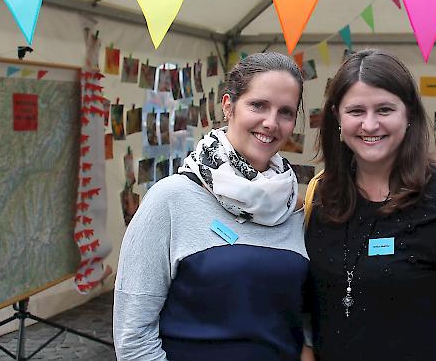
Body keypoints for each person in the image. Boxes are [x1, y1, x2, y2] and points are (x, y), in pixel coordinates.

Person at [304, 49, 436, 361]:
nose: (369, 124)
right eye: (356, 111)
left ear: (409, 116)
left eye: (384, 110)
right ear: (337, 117)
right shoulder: (320, 194)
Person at [113, 52, 311, 361]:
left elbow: (305, 317)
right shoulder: (170, 199)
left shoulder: (295, 208)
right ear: (228, 106)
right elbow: (133, 336)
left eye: (285, 112)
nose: (271, 122)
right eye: (258, 105)